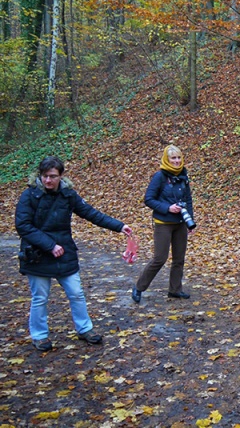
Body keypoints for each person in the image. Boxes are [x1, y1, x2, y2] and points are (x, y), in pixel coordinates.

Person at [15, 156, 132, 351]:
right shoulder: (29, 195)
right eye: (45, 176)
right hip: (36, 254)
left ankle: (85, 329)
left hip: (64, 253)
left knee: (76, 293)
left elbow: (90, 213)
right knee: (40, 297)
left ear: (61, 176)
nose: (48, 180)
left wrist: (120, 226)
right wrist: (50, 245)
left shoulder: (68, 195)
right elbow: (23, 226)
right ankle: (39, 335)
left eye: (53, 176)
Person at [132, 145, 195, 303]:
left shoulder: (183, 175)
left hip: (180, 223)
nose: (176, 161)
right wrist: (167, 208)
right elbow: (149, 199)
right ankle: (139, 287)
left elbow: (188, 199)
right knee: (160, 258)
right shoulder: (159, 176)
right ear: (167, 159)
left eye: (178, 157)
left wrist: (190, 221)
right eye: (173, 158)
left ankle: (175, 290)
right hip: (163, 223)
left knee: (179, 258)